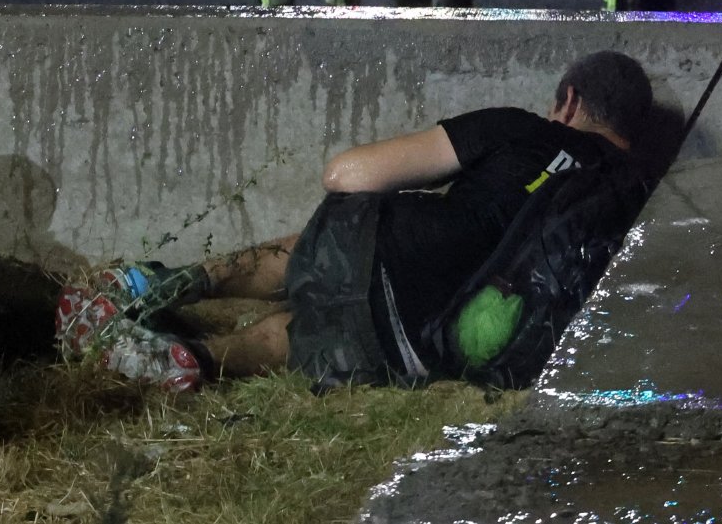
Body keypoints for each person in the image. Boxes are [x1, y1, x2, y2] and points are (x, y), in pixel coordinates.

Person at [56, 51, 686, 391]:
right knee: (306, 337)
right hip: (434, 343)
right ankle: (196, 358)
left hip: (389, 249)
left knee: (340, 229)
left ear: (569, 101)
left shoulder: (523, 130)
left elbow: (345, 174)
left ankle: (151, 285)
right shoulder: (634, 199)